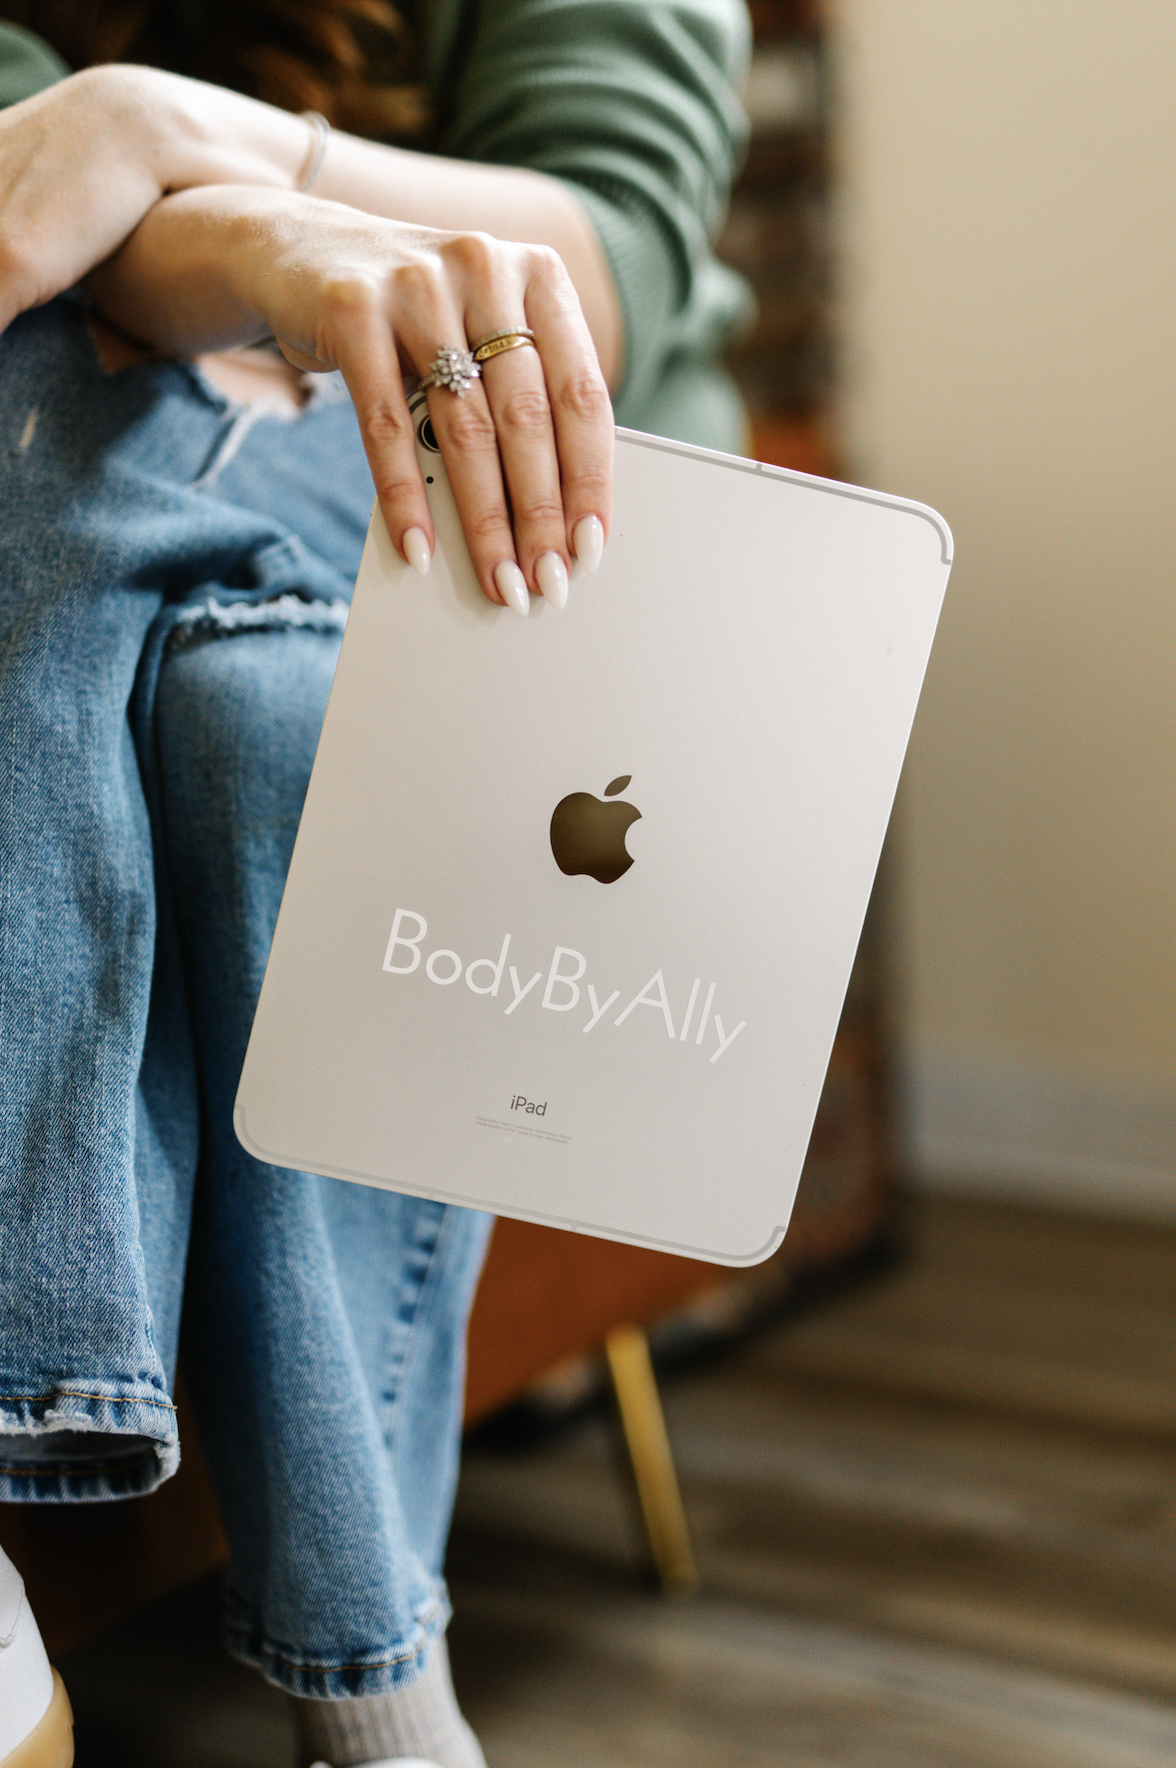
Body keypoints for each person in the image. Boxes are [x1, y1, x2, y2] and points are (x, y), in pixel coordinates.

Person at [0, 2, 752, 1763]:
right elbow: (38, 226)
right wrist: (248, 230)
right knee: (249, 696)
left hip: (551, 469)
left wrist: (168, 129)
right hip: (141, 385)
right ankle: (389, 1705)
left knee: (230, 674)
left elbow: (604, 249)